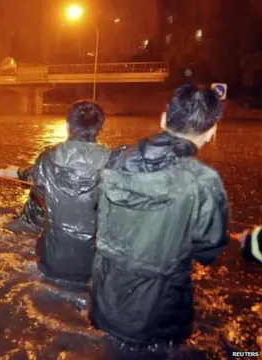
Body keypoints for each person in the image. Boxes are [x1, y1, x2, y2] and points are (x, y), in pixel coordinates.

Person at [89, 84, 229, 346]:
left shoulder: (116, 159)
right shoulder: (203, 182)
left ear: (164, 118)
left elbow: (99, 213)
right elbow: (209, 251)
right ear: (212, 131)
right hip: (158, 320)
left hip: (104, 304)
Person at [0, 100, 110, 284]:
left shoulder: (48, 159)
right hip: (95, 264)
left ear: (68, 124)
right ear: (99, 127)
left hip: (52, 261)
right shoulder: (115, 162)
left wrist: (1, 172)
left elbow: (27, 176)